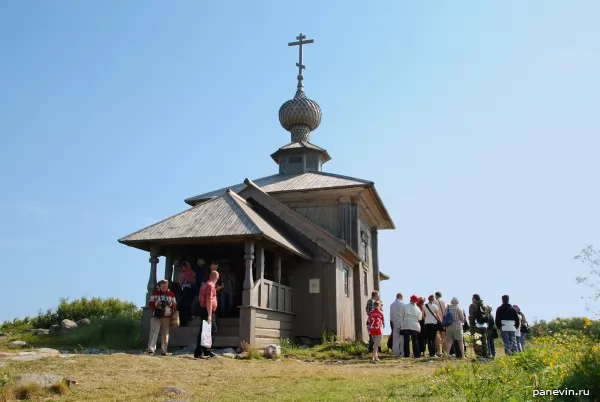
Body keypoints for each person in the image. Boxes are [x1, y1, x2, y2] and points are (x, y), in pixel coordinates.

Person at [147, 279, 177, 356]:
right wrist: (157, 303)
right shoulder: (155, 293)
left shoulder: (171, 294)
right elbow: (150, 303)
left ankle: (163, 351)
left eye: (166, 286)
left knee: (165, 334)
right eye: (163, 286)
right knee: (154, 332)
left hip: (167, 316)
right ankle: (151, 350)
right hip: (156, 315)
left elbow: (175, 305)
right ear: (159, 286)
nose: (164, 288)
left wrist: (169, 303)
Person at [194, 271, 219, 358]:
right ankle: (204, 349)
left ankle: (201, 351)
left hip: (203, 309)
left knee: (204, 330)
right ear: (216, 278)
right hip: (208, 310)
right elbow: (209, 300)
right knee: (213, 330)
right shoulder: (211, 286)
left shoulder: (204, 284)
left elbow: (200, 297)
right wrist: (209, 315)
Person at [468, 294, 489, 358]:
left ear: (474, 298)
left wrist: (471, 324)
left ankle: (479, 355)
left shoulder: (472, 305)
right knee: (484, 340)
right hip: (484, 325)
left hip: (476, 325)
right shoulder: (484, 306)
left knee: (477, 340)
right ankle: (485, 354)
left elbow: (471, 316)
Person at [178, 261, 196, 326]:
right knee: (181, 305)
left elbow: (193, 281)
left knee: (185, 305)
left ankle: (187, 319)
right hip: (183, 290)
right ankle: (183, 320)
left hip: (188, 289)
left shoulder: (191, 273)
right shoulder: (182, 274)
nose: (183, 268)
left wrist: (187, 278)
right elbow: (180, 282)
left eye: (185, 267)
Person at [389, 293, 405, 358]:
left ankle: (396, 352)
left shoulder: (392, 305)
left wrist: (393, 321)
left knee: (395, 338)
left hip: (395, 322)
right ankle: (402, 351)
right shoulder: (403, 304)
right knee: (402, 338)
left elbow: (391, 315)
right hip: (402, 322)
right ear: (400, 297)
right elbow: (404, 314)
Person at [434, 291, 447, 356]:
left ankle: (439, 351)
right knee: (444, 337)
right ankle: (446, 351)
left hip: (437, 321)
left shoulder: (434, 302)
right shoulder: (444, 303)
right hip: (443, 321)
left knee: (437, 336)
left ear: (436, 295)